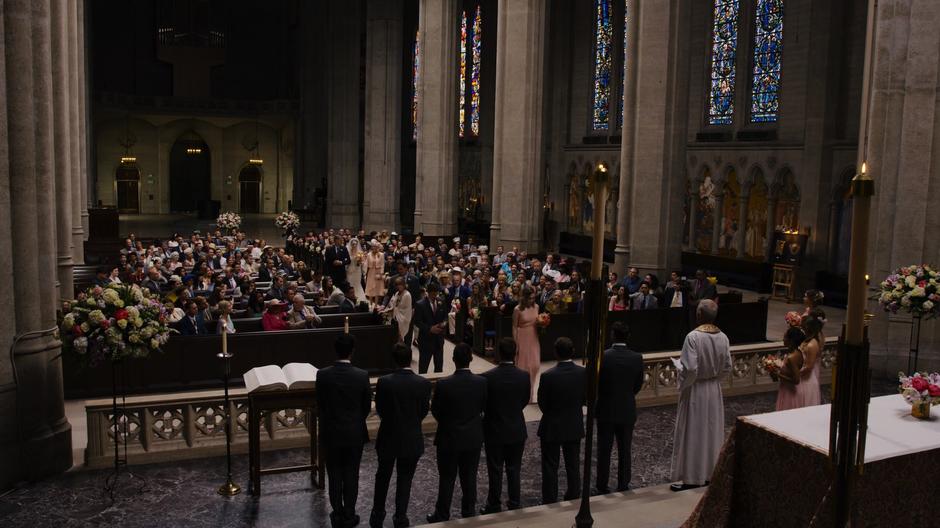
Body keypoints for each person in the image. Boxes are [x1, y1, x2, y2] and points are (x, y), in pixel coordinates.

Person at [670, 299, 732, 491]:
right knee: (711, 431)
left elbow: (690, 369)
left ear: (698, 315)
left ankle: (691, 476)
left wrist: (679, 371)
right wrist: (713, 379)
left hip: (696, 389)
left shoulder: (693, 337)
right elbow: (727, 367)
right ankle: (709, 473)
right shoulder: (723, 337)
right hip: (713, 390)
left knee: (694, 431)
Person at [370, 343, 432, 528]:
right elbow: (423, 411)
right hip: (411, 436)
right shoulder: (423, 383)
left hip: (388, 435)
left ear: (394, 360)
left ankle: (377, 514)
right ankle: (401, 516)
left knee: (382, 476)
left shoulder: (385, 382)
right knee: (405, 478)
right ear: (409, 360)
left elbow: (380, 409)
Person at [316, 335, 373, 528]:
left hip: (331, 432)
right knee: (351, 473)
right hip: (353, 432)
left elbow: (320, 404)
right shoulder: (361, 375)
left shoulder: (322, 374)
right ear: (352, 351)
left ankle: (337, 513)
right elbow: (366, 406)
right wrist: (355, 420)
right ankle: (349, 513)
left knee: (334, 474)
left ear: (335, 350)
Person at [427, 344, 487, 523]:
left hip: (449, 437)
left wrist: (448, 423)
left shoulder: (444, 384)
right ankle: (468, 512)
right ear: (471, 359)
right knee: (469, 477)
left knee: (446, 478)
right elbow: (483, 407)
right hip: (472, 438)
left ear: (453, 359)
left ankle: (442, 513)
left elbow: (436, 410)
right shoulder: (482, 382)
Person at [479, 338, 530, 514]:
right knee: (514, 468)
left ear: (498, 353)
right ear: (515, 353)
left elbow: (484, 404)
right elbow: (524, 400)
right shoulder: (524, 376)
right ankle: (515, 501)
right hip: (516, 428)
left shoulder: (487, 377)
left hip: (494, 429)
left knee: (495, 469)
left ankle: (494, 504)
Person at [595, 322, 645, 493]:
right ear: (628, 337)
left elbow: (596, 384)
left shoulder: (603, 356)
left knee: (604, 450)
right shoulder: (636, 358)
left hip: (606, 409)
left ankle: (602, 484)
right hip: (626, 409)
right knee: (625, 449)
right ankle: (623, 483)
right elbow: (637, 385)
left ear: (612, 335)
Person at [537, 337, 586, 504]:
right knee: (573, 464)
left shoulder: (548, 376)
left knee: (550, 466)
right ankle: (573, 494)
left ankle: (550, 498)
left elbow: (542, 403)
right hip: (573, 424)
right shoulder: (582, 373)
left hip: (552, 425)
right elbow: (585, 398)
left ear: (556, 353)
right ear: (572, 352)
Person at [513, 286, 541, 402]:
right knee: (523, 367)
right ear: (524, 297)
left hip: (533, 336)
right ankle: (521, 394)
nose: (532, 300)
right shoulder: (517, 309)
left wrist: (542, 324)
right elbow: (514, 326)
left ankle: (531, 394)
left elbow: (537, 322)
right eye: (530, 298)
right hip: (522, 336)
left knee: (534, 365)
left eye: (533, 298)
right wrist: (516, 343)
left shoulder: (537, 307)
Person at [413, 282, 448, 374]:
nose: (435, 295)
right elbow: (417, 321)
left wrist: (444, 324)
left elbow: (445, 317)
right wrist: (430, 328)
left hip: (439, 340)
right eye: (433, 293)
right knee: (423, 368)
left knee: (439, 368)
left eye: (436, 293)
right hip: (426, 340)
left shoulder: (441, 301)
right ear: (428, 292)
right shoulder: (420, 304)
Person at [795, 310, 825, 407]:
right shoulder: (807, 341)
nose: (801, 329)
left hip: (806, 380)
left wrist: (793, 373)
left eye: (802, 327)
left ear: (807, 328)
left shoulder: (812, 344)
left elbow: (808, 367)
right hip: (801, 377)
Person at [774, 326, 806, 411]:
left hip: (790, 392)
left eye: (785, 337)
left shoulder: (792, 357)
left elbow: (796, 380)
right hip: (787, 389)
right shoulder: (797, 352)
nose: (783, 339)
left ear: (791, 340)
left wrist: (778, 375)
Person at [384, 277, 413, 345]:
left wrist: (394, 310)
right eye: (397, 285)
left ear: (404, 285)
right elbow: (393, 304)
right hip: (395, 318)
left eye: (400, 284)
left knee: (400, 339)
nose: (398, 286)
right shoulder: (397, 293)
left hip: (402, 319)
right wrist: (387, 310)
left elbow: (404, 309)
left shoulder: (407, 295)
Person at [365, 241, 386, 307]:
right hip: (371, 272)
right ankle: (370, 303)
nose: (374, 248)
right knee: (371, 288)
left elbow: (382, 264)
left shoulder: (381, 254)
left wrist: (381, 273)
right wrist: (365, 273)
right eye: (373, 247)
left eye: (376, 247)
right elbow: (366, 264)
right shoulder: (368, 254)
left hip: (378, 272)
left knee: (377, 289)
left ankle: (376, 304)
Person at [347, 237, 366, 302]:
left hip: (357, 270)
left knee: (357, 284)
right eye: (353, 244)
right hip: (350, 269)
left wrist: (359, 262)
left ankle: (359, 298)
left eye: (355, 244)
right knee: (350, 283)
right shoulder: (348, 252)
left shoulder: (360, 252)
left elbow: (362, 262)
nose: (354, 245)